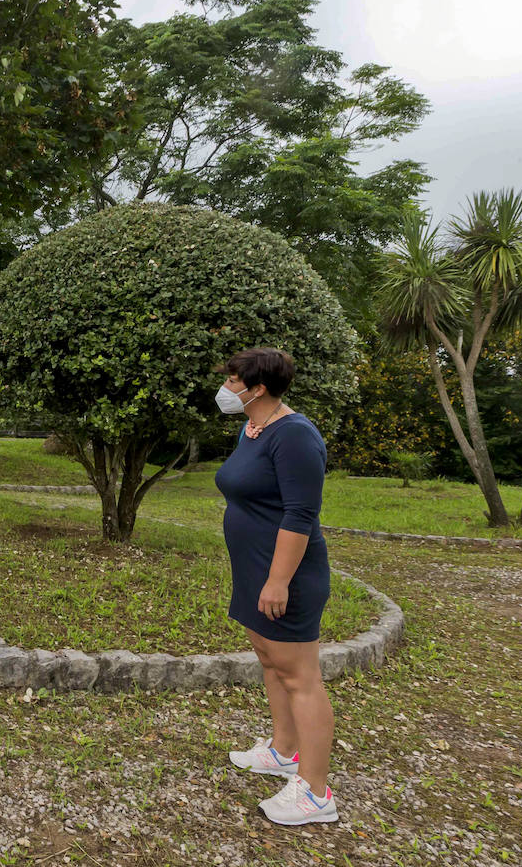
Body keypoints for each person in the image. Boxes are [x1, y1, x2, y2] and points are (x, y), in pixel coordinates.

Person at [213, 348, 339, 826]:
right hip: (255, 570)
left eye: (231, 379)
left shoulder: (295, 436)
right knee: (270, 660)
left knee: (299, 677)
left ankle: (316, 792)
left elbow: (301, 514)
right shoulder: (253, 429)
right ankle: (284, 751)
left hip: (285, 576)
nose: (226, 387)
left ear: (256, 387)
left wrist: (278, 581)